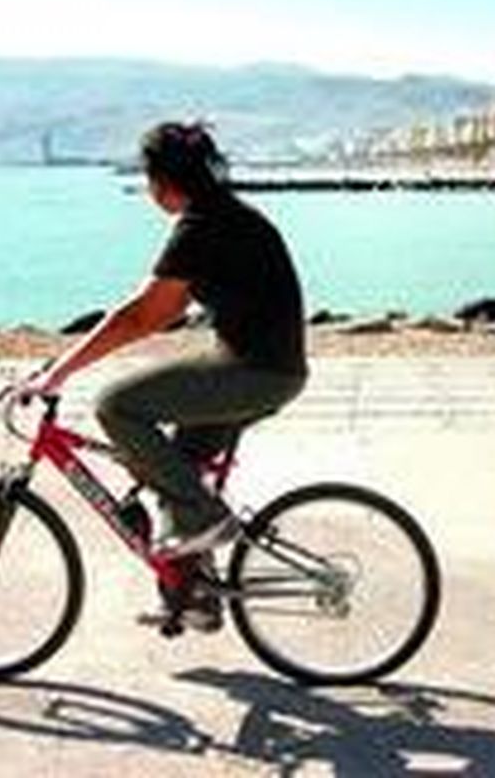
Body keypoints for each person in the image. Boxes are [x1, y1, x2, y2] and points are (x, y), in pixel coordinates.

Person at [18, 121, 307, 620]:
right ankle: (195, 596)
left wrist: (59, 373)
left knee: (116, 405)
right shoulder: (225, 216)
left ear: (161, 182)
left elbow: (141, 316)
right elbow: (166, 311)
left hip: (254, 370)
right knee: (176, 464)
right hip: (266, 365)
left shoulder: (200, 226)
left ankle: (207, 519)